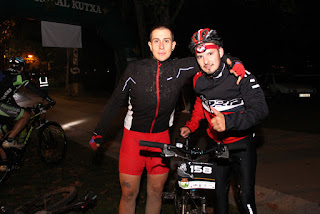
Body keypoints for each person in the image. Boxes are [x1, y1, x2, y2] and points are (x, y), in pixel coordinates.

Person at [89, 25, 246, 214]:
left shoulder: (179, 68)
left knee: (156, 192)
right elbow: (115, 102)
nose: (161, 46)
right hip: (133, 140)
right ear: (150, 45)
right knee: (129, 193)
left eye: (166, 41)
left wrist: (233, 62)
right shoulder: (134, 69)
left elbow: (210, 56)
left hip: (161, 139)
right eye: (156, 41)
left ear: (173, 45)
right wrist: (98, 133)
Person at [180, 28, 268, 214]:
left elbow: (260, 110)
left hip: (241, 146)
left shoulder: (239, 75)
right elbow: (200, 104)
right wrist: (191, 125)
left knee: (245, 200)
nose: (206, 61)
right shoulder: (198, 80)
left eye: (211, 54)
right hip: (216, 147)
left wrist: (229, 122)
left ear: (220, 52)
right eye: (200, 57)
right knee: (219, 200)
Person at [0, 56, 55, 149]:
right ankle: (9, 141)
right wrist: (47, 98)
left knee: (7, 131)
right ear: (21, 67)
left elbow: (7, 96)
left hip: (4, 105)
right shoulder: (17, 77)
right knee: (26, 116)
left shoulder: (4, 74)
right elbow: (33, 88)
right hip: (1, 106)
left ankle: (9, 157)